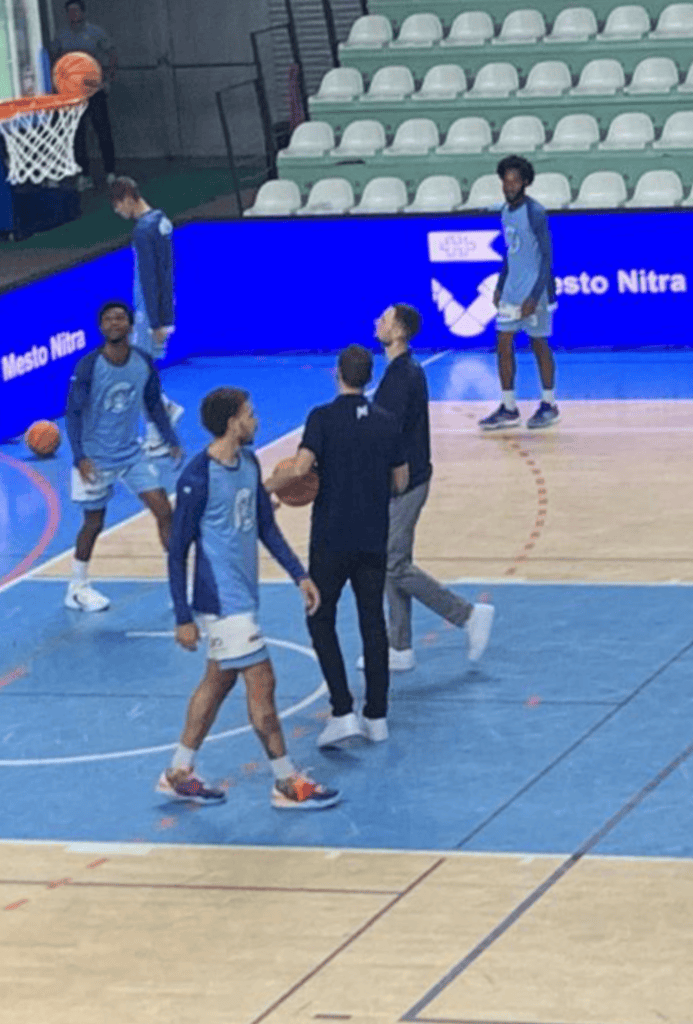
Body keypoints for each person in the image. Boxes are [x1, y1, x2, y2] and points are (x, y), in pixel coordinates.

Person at [162, 386, 340, 810]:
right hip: (223, 603)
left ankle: (178, 772)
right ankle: (286, 782)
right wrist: (183, 616)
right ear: (232, 423)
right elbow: (177, 550)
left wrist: (299, 575)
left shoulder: (249, 463)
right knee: (263, 684)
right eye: (250, 414)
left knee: (218, 681)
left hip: (243, 596)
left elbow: (266, 527)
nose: (256, 420)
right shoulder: (196, 478)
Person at [266, 345, 408, 748]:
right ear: (369, 377)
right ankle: (377, 716)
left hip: (331, 538)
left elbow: (300, 468)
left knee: (320, 618)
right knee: (372, 622)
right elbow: (401, 482)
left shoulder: (322, 417)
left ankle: (343, 710)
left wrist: (263, 489)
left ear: (337, 374)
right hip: (373, 536)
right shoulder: (387, 421)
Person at [372, 303, 494, 672]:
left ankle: (467, 614)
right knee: (392, 561)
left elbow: (388, 436)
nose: (377, 322)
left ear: (398, 332)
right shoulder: (403, 371)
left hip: (406, 483)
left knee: (393, 564)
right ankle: (399, 647)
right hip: (403, 480)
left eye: (384, 319)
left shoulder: (401, 377)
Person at [65, 301, 181, 612]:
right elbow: (73, 413)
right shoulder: (89, 366)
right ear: (101, 327)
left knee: (163, 510)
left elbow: (153, 403)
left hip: (131, 454)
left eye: (120, 318)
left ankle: (179, 585)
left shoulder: (142, 362)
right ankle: (77, 587)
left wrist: (170, 439)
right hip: (95, 458)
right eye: (108, 319)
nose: (114, 323)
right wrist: (79, 456)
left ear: (130, 326)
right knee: (93, 523)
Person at [479, 155, 560, 432]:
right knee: (503, 343)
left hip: (536, 291)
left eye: (514, 181)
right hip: (512, 291)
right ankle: (508, 407)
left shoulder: (535, 212)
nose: (509, 186)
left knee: (539, 344)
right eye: (505, 181)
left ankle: (549, 404)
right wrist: (501, 285)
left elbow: (547, 258)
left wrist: (534, 296)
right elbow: (510, 252)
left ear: (525, 182)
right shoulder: (505, 211)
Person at [110, 175, 183, 459]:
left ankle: (157, 434)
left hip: (148, 314)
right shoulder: (162, 221)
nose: (118, 212)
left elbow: (151, 279)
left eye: (118, 205)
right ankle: (165, 410)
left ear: (129, 197)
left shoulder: (143, 230)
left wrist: (155, 322)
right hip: (161, 309)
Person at [51, 0, 117, 190]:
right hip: (72, 93)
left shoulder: (96, 33)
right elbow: (54, 59)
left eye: (76, 11)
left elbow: (112, 54)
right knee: (77, 134)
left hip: (94, 90)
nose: (73, 15)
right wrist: (56, 84)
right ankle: (84, 174)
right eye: (69, 12)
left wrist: (108, 79)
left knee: (102, 130)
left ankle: (110, 172)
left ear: (83, 13)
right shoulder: (61, 36)